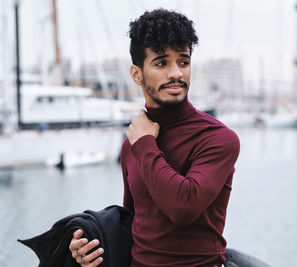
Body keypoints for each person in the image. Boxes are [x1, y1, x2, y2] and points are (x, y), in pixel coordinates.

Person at [69, 8, 240, 267]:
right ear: (137, 74)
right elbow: (132, 222)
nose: (176, 73)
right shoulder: (132, 145)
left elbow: (183, 207)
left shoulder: (217, 138)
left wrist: (145, 144)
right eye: (161, 63)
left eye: (183, 62)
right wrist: (89, 249)